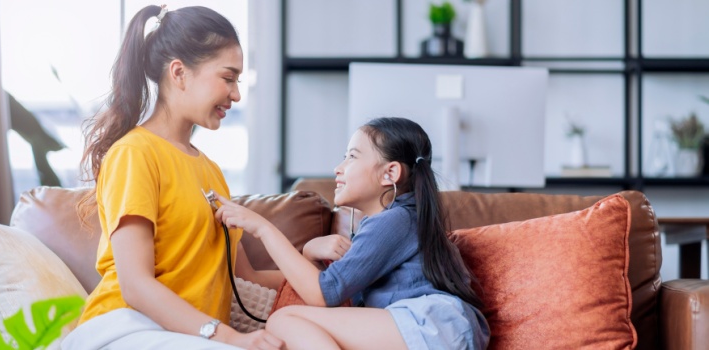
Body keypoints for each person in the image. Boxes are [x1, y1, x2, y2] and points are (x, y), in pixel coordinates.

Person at [63, 5, 284, 350]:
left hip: (184, 338)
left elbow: (247, 277)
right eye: (228, 78)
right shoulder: (134, 154)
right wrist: (230, 338)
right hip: (125, 329)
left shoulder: (211, 172)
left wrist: (331, 274)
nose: (237, 94)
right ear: (179, 73)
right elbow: (136, 286)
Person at [214, 117, 491, 349]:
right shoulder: (393, 222)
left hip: (432, 324)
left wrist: (263, 228)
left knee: (282, 321)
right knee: (286, 321)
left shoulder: (396, 220)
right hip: (437, 330)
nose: (338, 168)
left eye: (351, 157)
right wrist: (308, 250)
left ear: (389, 173)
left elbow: (323, 294)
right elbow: (294, 285)